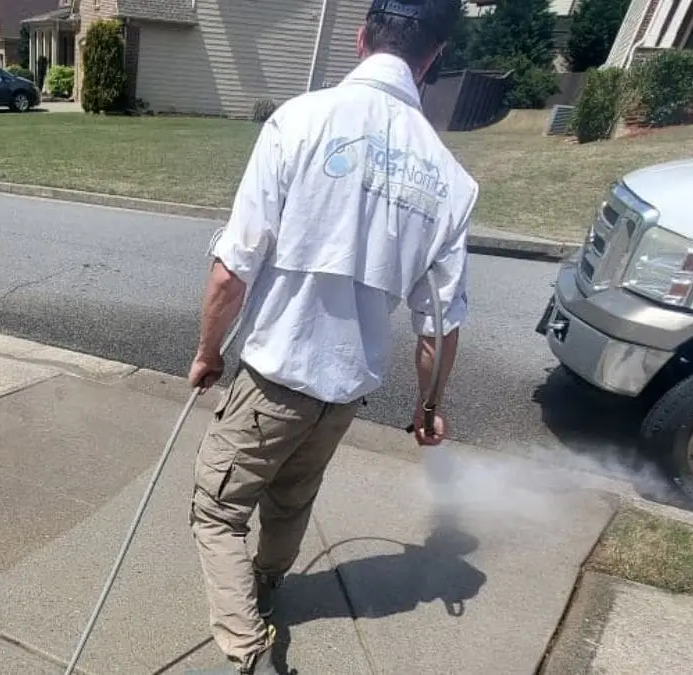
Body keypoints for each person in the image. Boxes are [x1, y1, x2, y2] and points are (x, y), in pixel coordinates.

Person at [183, 0, 478, 672]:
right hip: (341, 395)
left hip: (274, 378)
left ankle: (245, 647)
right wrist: (428, 409)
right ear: (432, 58)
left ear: (361, 39)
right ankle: (265, 585)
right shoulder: (451, 182)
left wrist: (207, 352)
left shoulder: (300, 122)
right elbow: (440, 323)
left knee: (217, 510)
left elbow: (233, 269)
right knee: (292, 496)